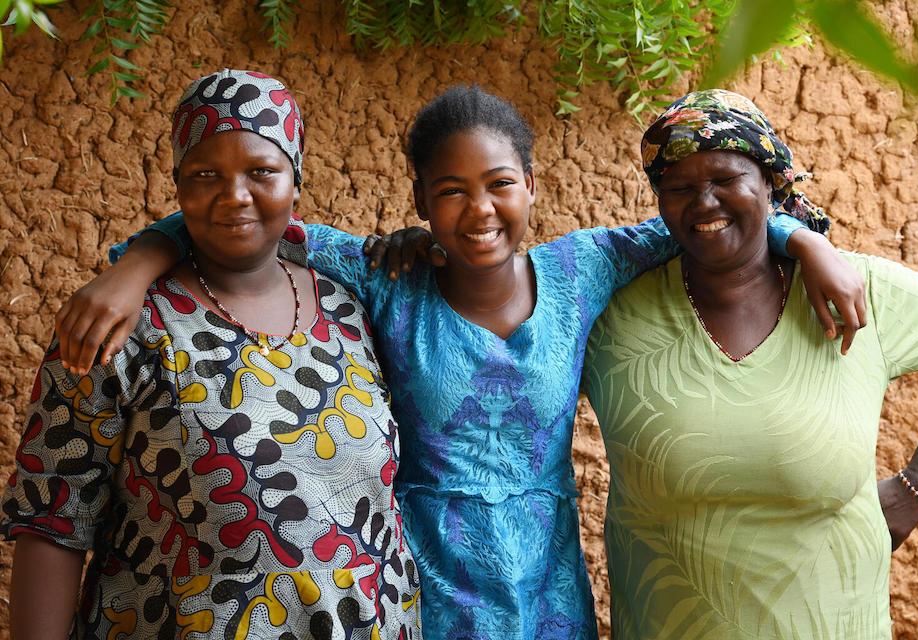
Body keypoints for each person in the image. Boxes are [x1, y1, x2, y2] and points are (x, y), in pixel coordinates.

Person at [52, 86, 865, 639]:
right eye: (451, 191)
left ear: (533, 186)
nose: (479, 210)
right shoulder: (385, 276)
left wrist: (808, 244)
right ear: (419, 201)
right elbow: (244, 219)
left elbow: (711, 215)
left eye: (499, 183)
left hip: (549, 590)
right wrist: (137, 264)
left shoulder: (584, 269)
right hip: (428, 590)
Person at [2, 69, 421, 640]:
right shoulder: (124, 324)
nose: (235, 195)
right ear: (177, 185)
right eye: (205, 174)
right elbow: (52, 517)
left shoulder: (351, 312)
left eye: (261, 171)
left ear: (295, 182)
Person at [584, 89, 918, 639]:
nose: (704, 202)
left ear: (770, 182)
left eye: (726, 179)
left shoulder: (856, 292)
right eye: (680, 188)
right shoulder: (613, 316)